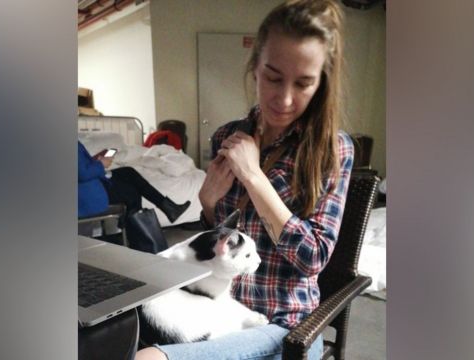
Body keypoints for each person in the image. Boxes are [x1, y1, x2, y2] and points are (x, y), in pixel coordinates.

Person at [136, 0, 353, 359]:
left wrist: (253, 176)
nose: (284, 99)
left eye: (303, 83)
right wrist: (206, 204)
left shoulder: (333, 150)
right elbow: (217, 241)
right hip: (216, 307)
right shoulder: (226, 137)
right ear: (255, 67)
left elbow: (312, 258)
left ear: (321, 83)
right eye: (272, 77)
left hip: (285, 325)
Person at [77, 141, 190, 225]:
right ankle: (137, 238)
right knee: (132, 192)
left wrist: (95, 161)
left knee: (128, 172)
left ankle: (169, 208)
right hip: (86, 192)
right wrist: (101, 164)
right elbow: (82, 174)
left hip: (88, 183)